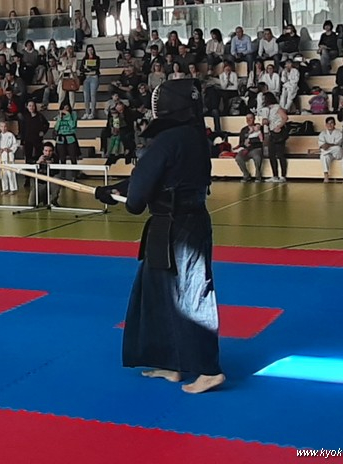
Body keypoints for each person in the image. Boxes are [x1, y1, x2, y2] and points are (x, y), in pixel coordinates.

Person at [94, 79, 224, 394]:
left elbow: (137, 201)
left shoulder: (165, 141)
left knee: (191, 299)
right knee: (159, 295)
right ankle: (172, 362)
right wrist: (116, 190)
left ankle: (209, 370)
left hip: (174, 232)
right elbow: (157, 178)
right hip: (190, 224)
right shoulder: (195, 137)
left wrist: (117, 195)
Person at [318, 117, 343, 183]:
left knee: (337, 148)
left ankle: (324, 152)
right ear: (326, 125)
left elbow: (337, 144)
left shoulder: (339, 132)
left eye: (331, 123)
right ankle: (326, 176)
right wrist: (328, 146)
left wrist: (327, 145)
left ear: (334, 124)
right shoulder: (322, 133)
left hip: (338, 154)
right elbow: (322, 145)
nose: (330, 125)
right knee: (324, 157)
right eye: (328, 123)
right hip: (329, 154)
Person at [234, 114, 264, 182]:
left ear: (254, 119)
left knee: (257, 157)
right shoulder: (244, 130)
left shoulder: (259, 128)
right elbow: (241, 142)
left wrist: (250, 141)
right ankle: (246, 175)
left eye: (250, 118)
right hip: (246, 149)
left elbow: (260, 141)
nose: (248, 120)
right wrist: (245, 143)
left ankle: (258, 176)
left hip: (255, 148)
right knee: (238, 157)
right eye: (247, 118)